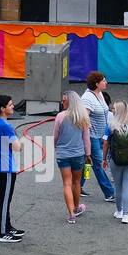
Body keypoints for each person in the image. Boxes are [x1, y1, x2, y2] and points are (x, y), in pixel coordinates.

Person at [0, 94, 25, 243]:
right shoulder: (6, 126)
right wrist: (16, 137)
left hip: (0, 165)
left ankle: (7, 226)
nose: (13, 106)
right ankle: (2, 232)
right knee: (5, 200)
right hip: (6, 167)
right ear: (3, 109)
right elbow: (18, 148)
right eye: (10, 105)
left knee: (5, 199)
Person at [54, 91, 90, 223]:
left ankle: (71, 214)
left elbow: (56, 136)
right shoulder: (82, 116)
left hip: (63, 154)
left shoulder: (60, 117)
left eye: (64, 100)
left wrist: (56, 147)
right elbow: (86, 139)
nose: (62, 102)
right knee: (76, 182)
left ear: (70, 101)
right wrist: (88, 153)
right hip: (78, 154)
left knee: (67, 183)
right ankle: (76, 207)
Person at [80, 71, 116, 203]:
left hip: (101, 135)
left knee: (87, 162)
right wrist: (86, 138)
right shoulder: (87, 98)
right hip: (92, 136)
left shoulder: (99, 94)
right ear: (96, 84)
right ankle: (109, 192)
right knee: (98, 164)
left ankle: (78, 186)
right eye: (103, 81)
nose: (106, 82)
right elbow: (84, 119)